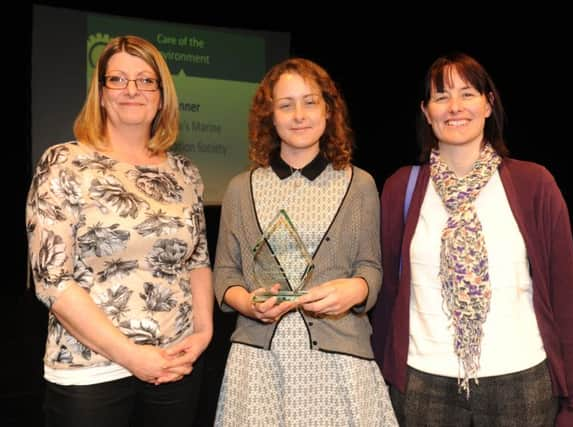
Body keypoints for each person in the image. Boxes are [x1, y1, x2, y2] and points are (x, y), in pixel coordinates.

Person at [372, 52, 573, 426]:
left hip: (521, 382)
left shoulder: (534, 184)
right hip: (423, 383)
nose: (454, 107)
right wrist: (380, 380)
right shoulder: (399, 189)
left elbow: (565, 297)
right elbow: (388, 294)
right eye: (441, 97)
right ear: (426, 112)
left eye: (467, 93)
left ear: (489, 104)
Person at [25, 35, 213, 427]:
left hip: (174, 367)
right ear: (102, 92)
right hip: (89, 371)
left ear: (162, 96)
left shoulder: (185, 173)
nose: (132, 90)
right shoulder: (63, 163)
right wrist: (133, 357)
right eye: (118, 79)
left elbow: (197, 261)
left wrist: (204, 332)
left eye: (146, 80)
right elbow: (51, 281)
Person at [213, 57, 397, 426]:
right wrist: (248, 303)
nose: (299, 115)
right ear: (270, 115)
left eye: (310, 102)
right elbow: (225, 275)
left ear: (328, 110)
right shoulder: (239, 188)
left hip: (340, 360)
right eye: (286, 104)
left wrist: (356, 289)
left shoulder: (359, 184)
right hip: (260, 360)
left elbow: (371, 267)